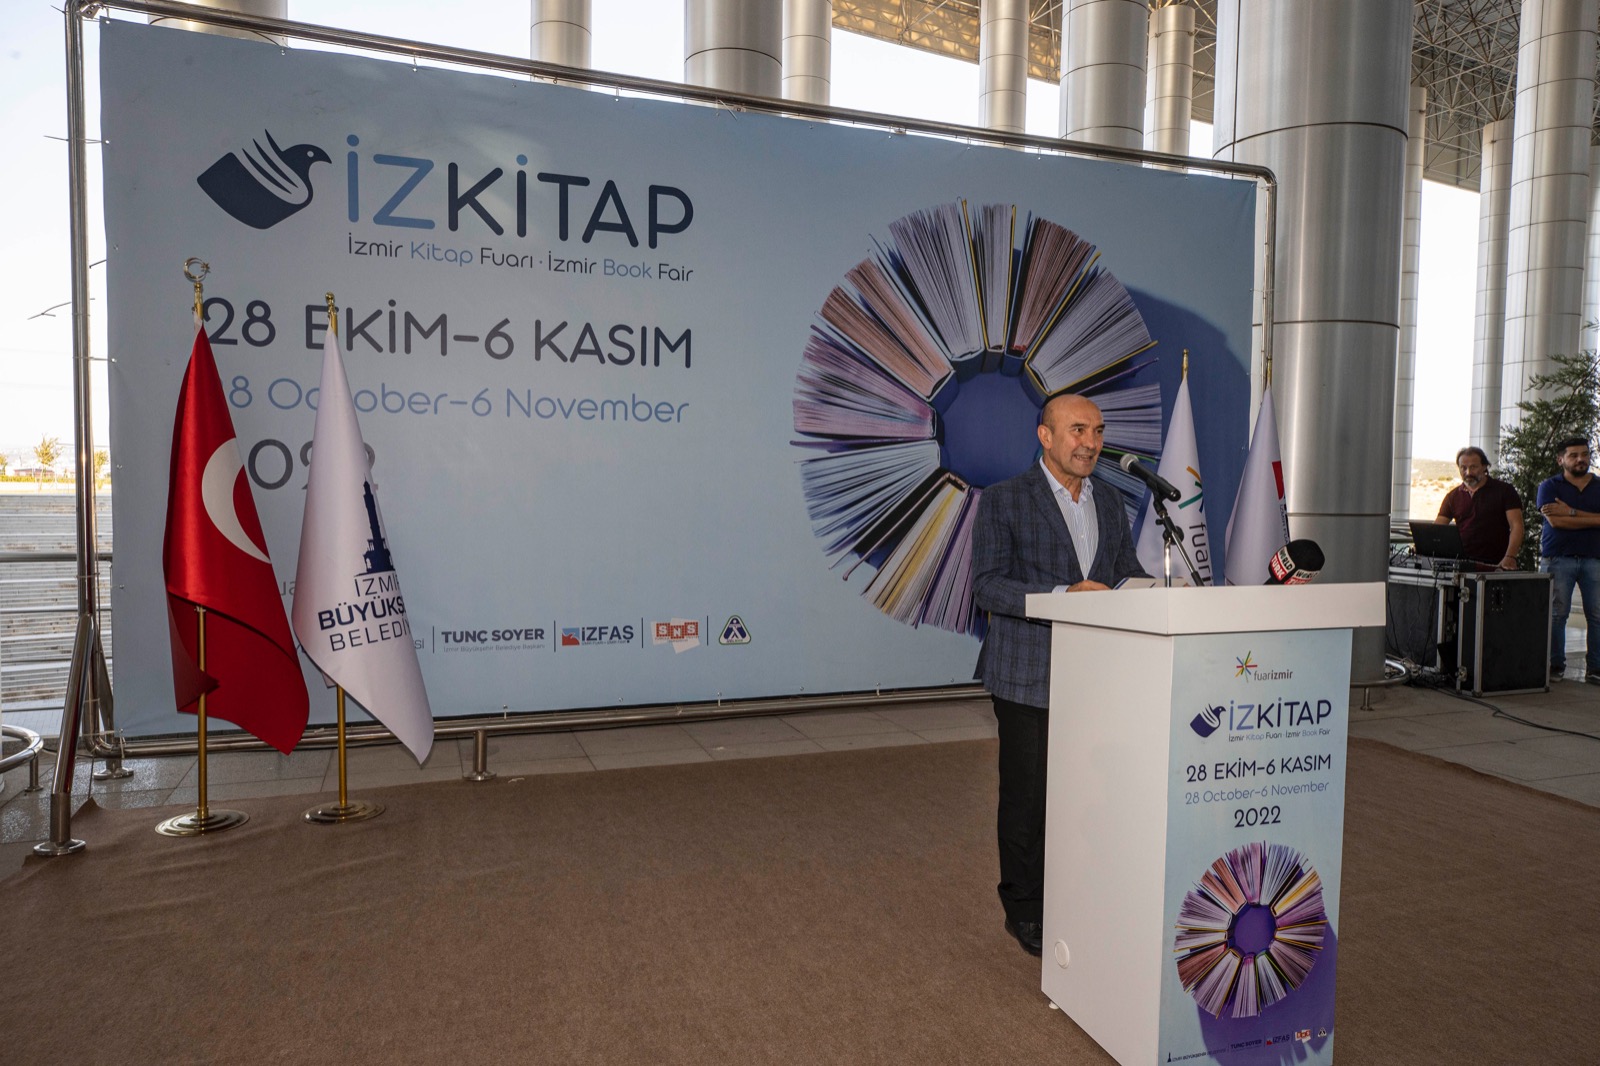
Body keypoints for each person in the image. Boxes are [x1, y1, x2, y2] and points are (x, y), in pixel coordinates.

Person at [970, 392, 1148, 957]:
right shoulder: (1004, 500)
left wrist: (1148, 591)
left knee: (1088, 796)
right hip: (1028, 673)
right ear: (1045, 436)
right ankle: (1024, 909)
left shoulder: (1111, 501)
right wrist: (1060, 596)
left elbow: (1124, 572)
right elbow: (987, 586)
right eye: (1077, 430)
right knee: (1029, 801)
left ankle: (1077, 898)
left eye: (1097, 431)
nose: (1090, 443)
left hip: (1097, 675)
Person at [1535, 437, 1600, 682]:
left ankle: (1596, 669)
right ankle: (1555, 666)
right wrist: (1594, 519)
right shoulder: (1549, 486)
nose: (1581, 459)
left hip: (1595, 558)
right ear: (1560, 459)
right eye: (1573, 455)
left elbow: (1565, 517)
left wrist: (1570, 512)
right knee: (1556, 615)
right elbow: (1556, 522)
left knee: (1597, 616)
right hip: (1558, 558)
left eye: (1585, 454)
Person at [1435, 446, 1523, 569]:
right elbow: (1437, 530)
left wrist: (1510, 556)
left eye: (1473, 467)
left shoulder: (1504, 491)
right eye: (1463, 468)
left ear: (1484, 466)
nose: (1468, 472)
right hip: (1462, 565)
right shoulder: (1452, 496)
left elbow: (1517, 526)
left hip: (1496, 565)